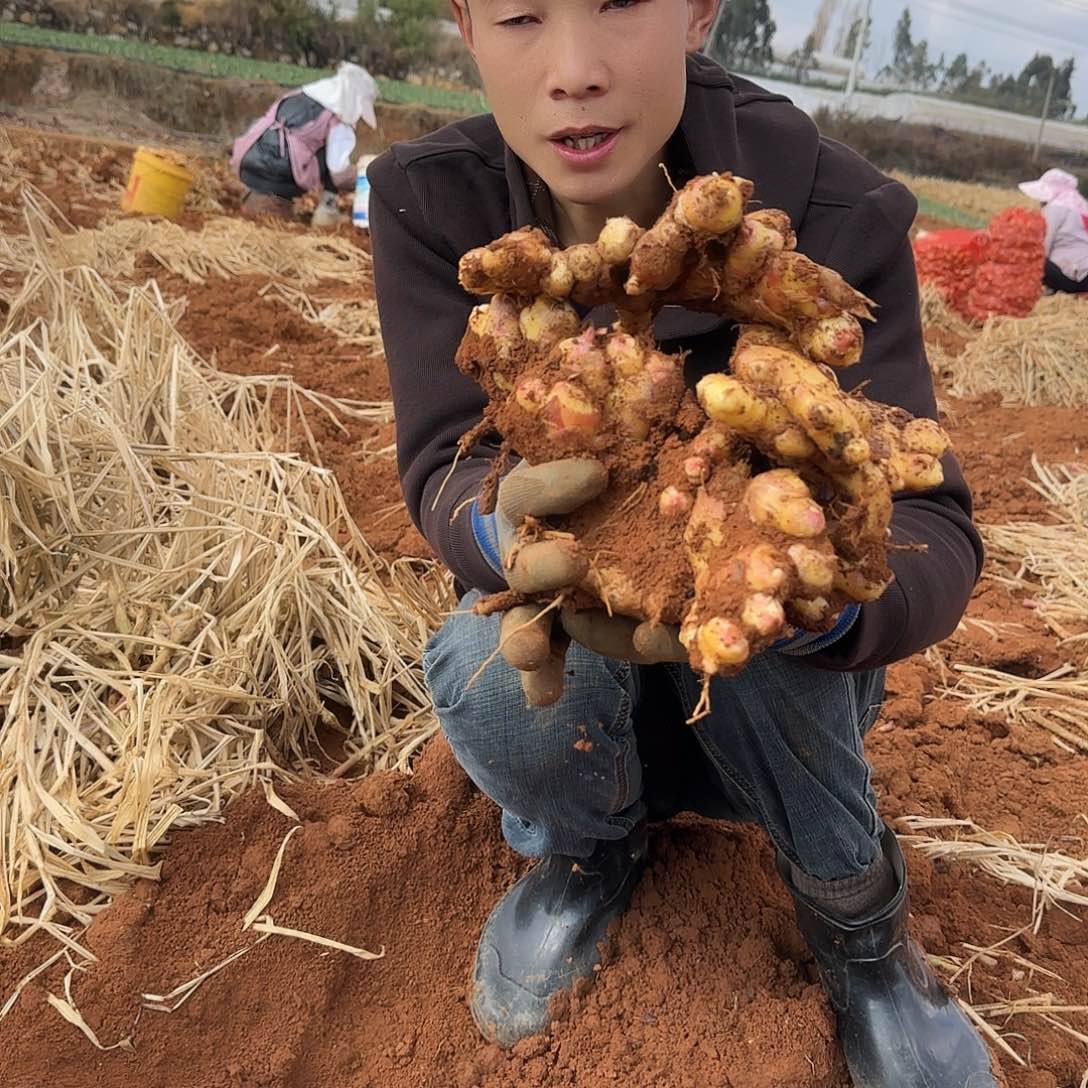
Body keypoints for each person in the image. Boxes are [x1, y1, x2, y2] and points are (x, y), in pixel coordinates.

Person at [367, 1, 994, 1084]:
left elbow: (933, 519)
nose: (573, 70)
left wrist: (824, 587)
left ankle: (859, 927)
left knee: (752, 601)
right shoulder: (434, 202)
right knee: (484, 666)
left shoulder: (829, 209)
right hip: (587, 667)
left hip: (783, 698)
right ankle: (583, 852)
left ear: (699, 8)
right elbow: (437, 460)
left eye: (617, 4)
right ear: (462, 22)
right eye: (519, 14)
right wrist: (499, 519)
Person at [230, 61, 378, 223]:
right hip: (276, 174)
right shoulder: (337, 117)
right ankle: (323, 211)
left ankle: (256, 200)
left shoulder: (302, 96)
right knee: (325, 154)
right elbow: (339, 175)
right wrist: (366, 177)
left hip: (250, 161)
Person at [1019, 167, 1088, 295]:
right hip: (1084, 273)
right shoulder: (1080, 209)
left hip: (1076, 277)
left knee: (1029, 257)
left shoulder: (1054, 209)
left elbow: (1042, 247)